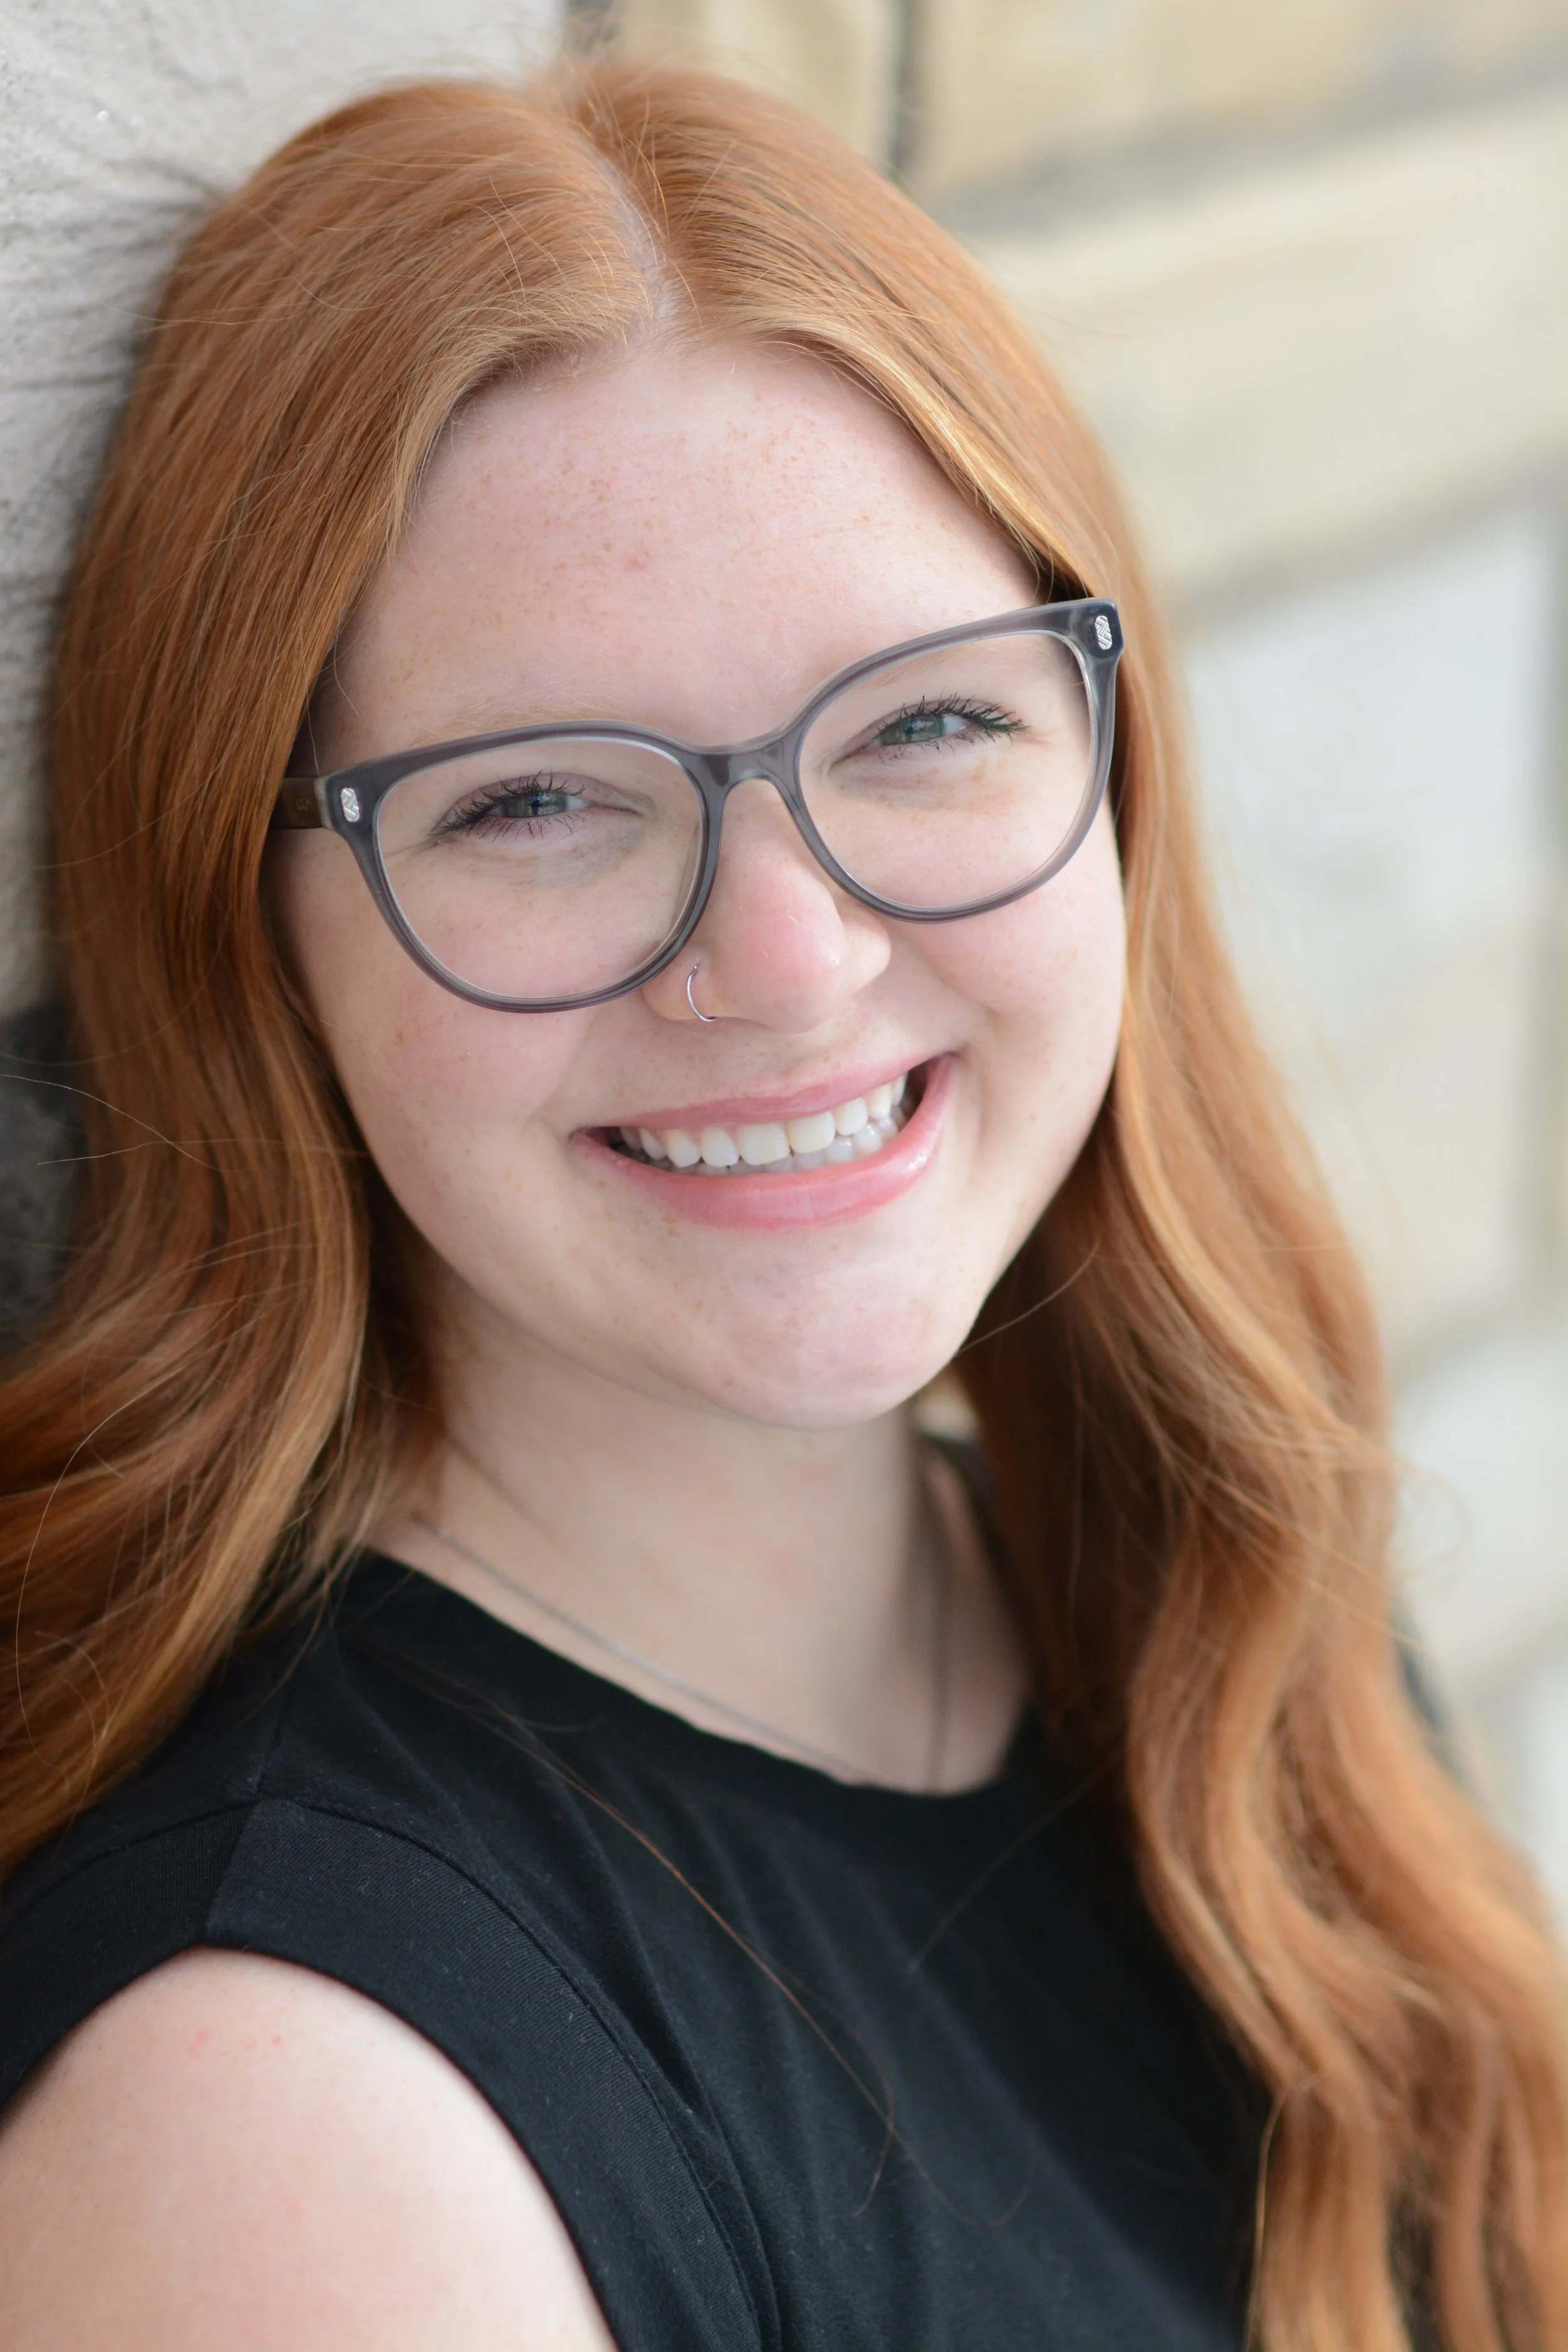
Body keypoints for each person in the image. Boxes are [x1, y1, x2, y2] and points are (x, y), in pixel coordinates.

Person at [0, 58, 1561, 2352]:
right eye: (536, 799)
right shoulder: (296, 2135)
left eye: (922, 724)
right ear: (251, 933)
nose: (788, 960)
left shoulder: (1204, 1630)